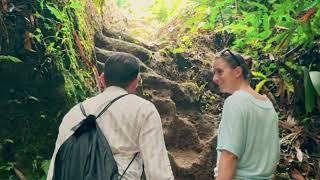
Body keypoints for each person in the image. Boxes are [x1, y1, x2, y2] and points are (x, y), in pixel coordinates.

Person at [46, 53, 174, 180]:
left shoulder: (75, 112)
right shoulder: (143, 110)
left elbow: (57, 163)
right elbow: (157, 170)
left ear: (102, 79)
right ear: (136, 81)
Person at [212, 48, 280, 179]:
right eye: (214, 73)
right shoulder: (268, 106)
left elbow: (230, 155)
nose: (215, 78)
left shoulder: (235, 102)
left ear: (237, 72)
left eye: (220, 71)